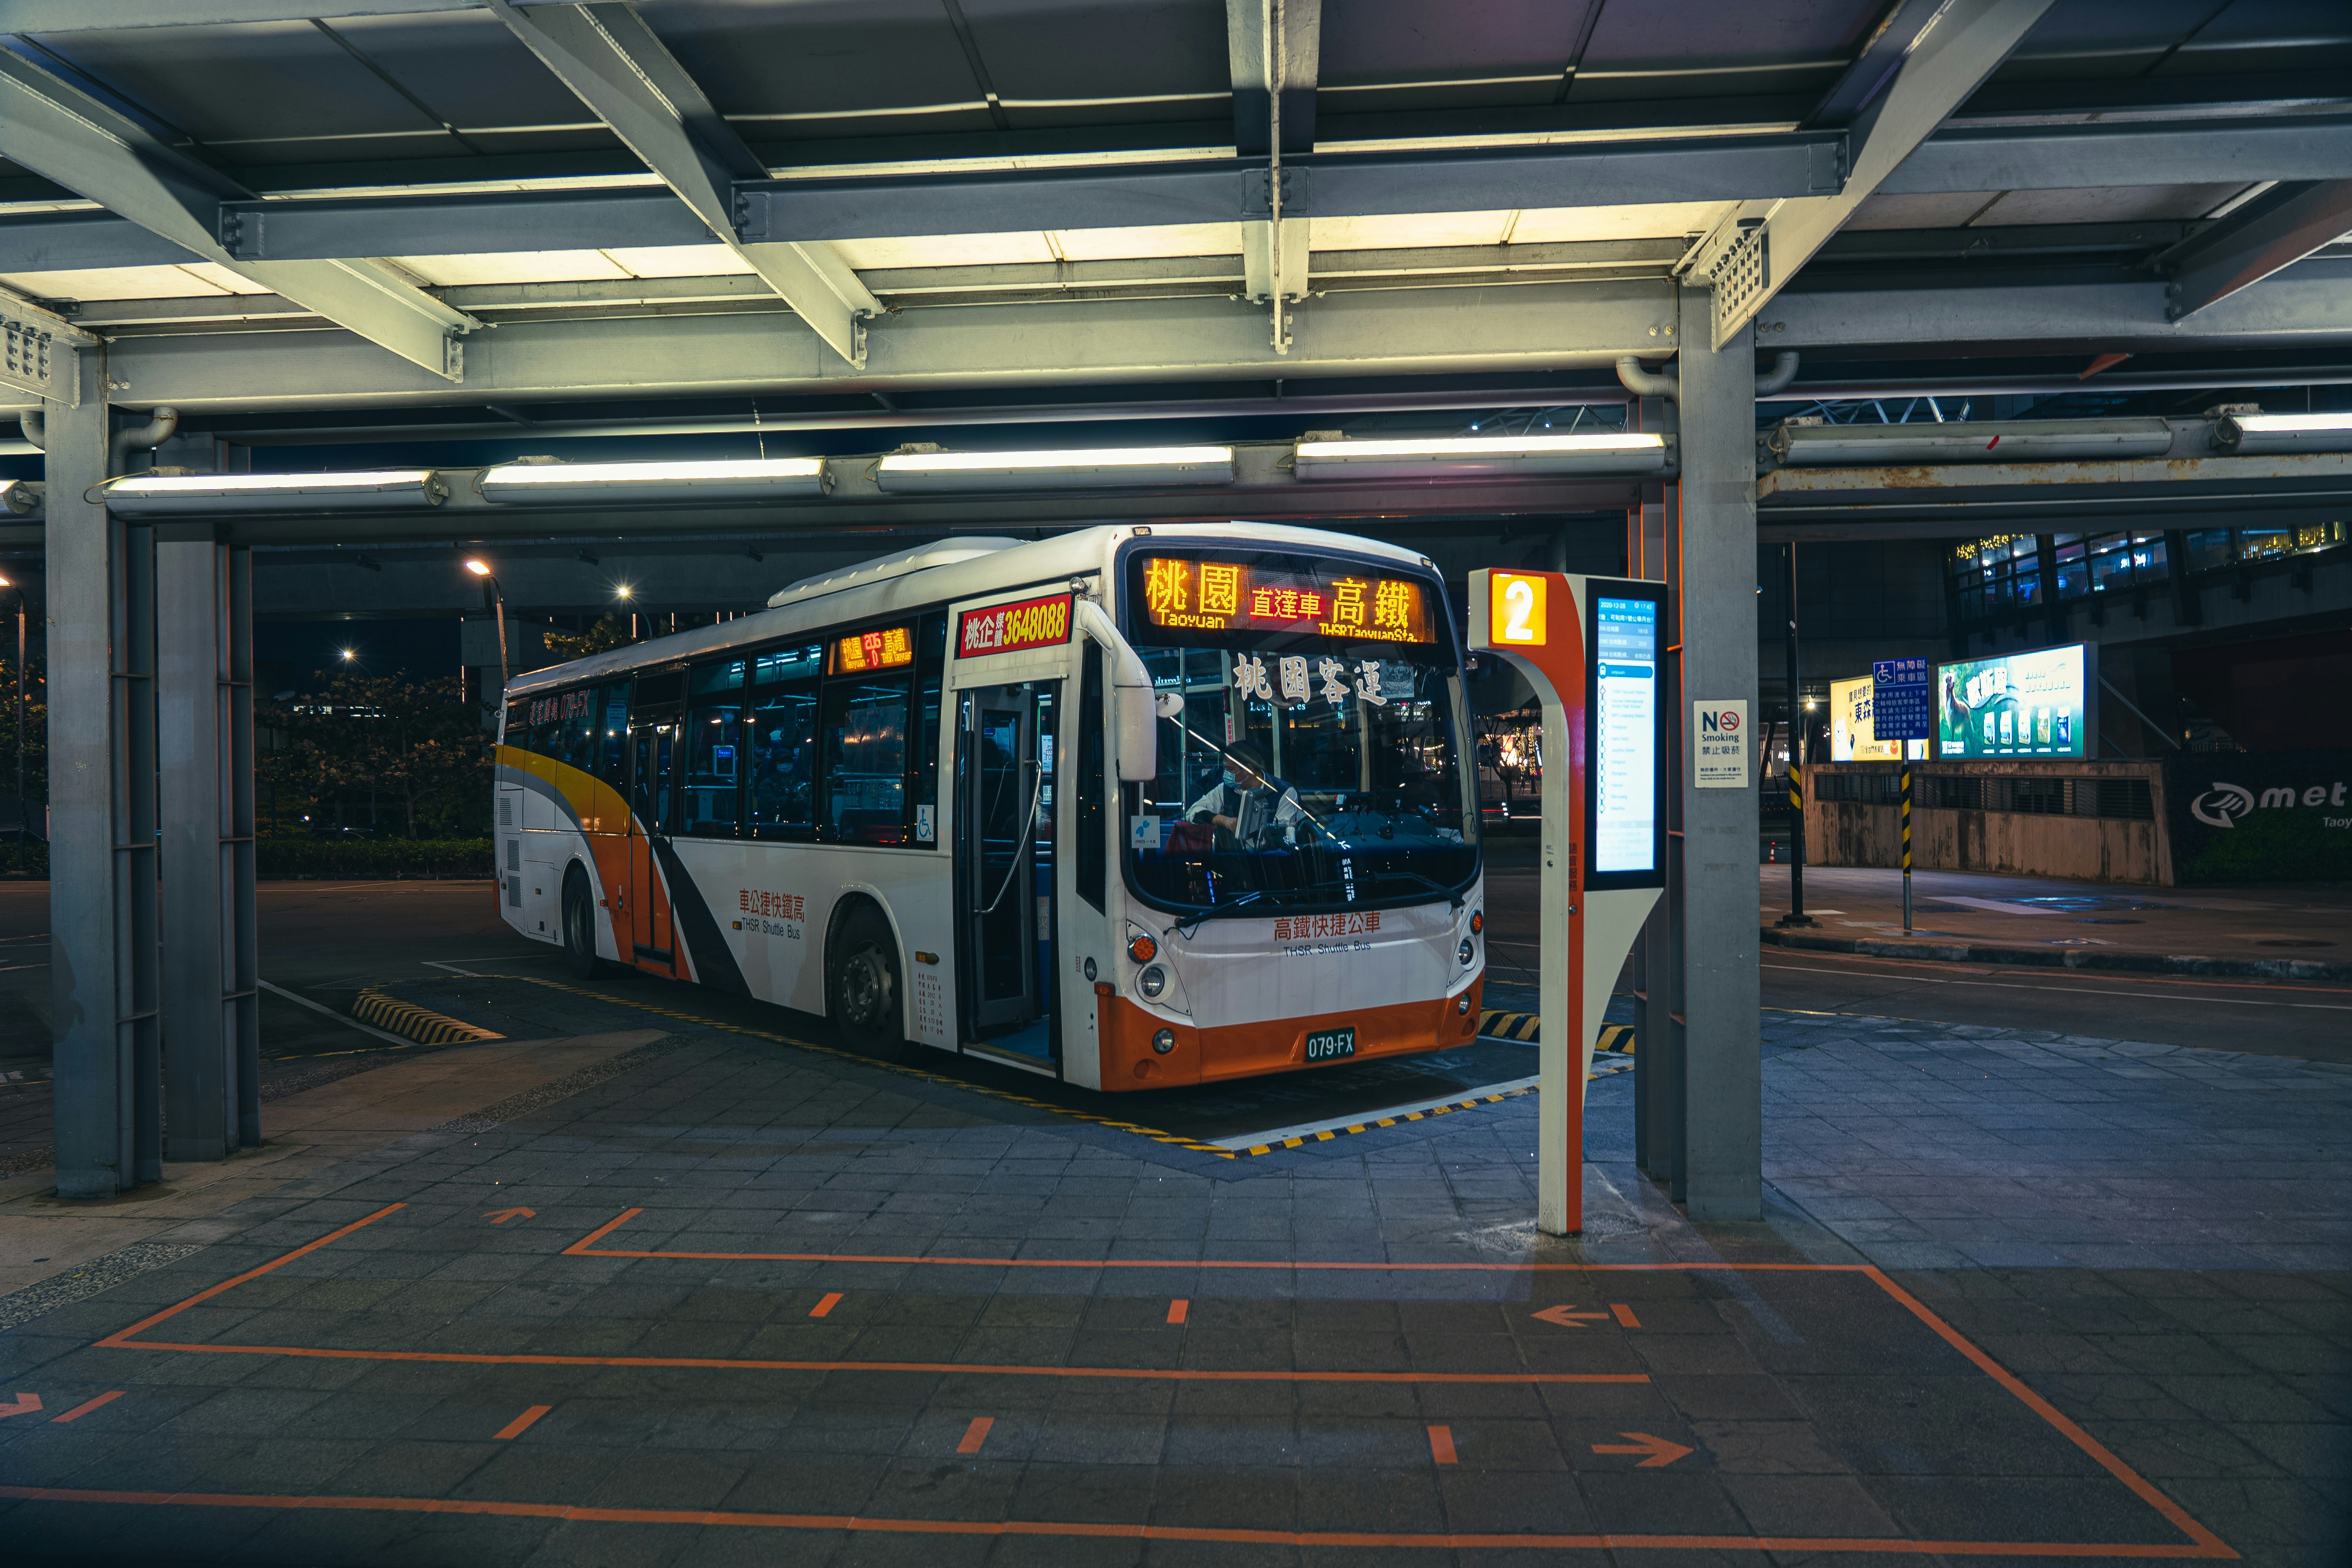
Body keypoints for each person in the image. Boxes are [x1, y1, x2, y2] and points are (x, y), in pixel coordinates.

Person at [1186, 742, 1302, 846]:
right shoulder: (1226, 789)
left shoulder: (1285, 793)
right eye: (1225, 769)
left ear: (1248, 770)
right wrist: (1224, 820)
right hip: (1238, 859)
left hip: (1273, 858)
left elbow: (1283, 838)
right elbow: (1193, 813)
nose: (1225, 774)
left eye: (1230, 770)